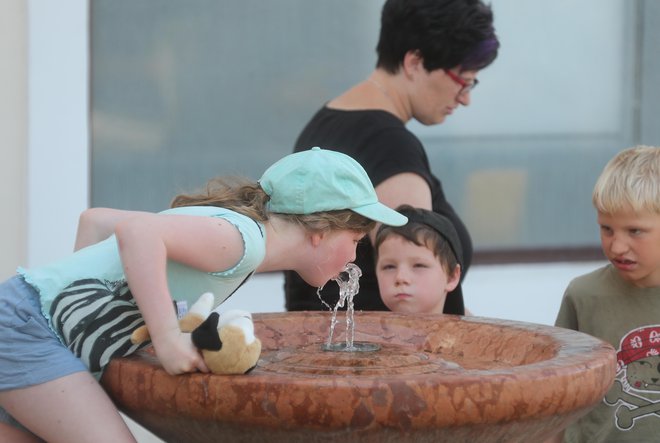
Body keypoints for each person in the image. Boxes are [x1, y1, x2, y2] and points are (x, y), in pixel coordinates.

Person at [0, 147, 407, 443]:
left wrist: (86, 321)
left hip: (28, 325)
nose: (356, 256)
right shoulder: (242, 240)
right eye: (355, 239)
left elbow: (96, 221)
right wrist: (166, 338)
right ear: (320, 231)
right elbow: (137, 233)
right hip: (25, 331)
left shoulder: (237, 229)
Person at [284, 0, 499, 315]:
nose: (465, 98)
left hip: (320, 343)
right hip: (376, 352)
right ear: (414, 62)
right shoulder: (389, 147)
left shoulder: (325, 123)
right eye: (463, 80)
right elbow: (416, 282)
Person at [549, 145, 660, 443]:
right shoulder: (584, 295)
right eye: (607, 229)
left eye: (635, 231)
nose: (616, 246)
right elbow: (557, 393)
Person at [374, 205, 463, 314]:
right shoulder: (358, 329)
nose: (401, 278)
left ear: (451, 277)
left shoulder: (478, 330)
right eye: (389, 267)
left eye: (419, 265)